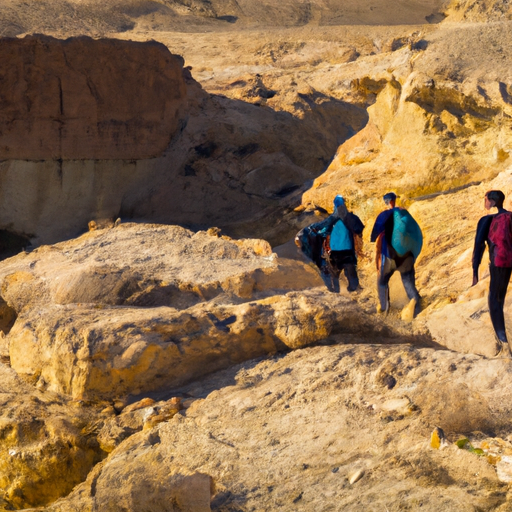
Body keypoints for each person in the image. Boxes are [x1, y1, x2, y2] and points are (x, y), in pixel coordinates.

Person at [295, 195, 364, 293]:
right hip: (349, 253)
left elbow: (322, 229)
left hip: (335, 253)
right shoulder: (351, 218)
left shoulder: (333, 219)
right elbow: (359, 229)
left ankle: (335, 291)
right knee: (351, 275)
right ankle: (353, 289)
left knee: (334, 275)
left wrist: (311, 231)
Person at [472, 190, 512, 357]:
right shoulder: (511, 216)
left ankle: (504, 345)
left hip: (499, 263)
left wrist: (474, 272)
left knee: (495, 302)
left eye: (486, 199)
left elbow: (479, 246)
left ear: (492, 202)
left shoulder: (487, 220)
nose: (485, 202)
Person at [370, 192, 422, 317]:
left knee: (382, 282)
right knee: (408, 283)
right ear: (394, 200)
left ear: (386, 202)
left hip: (388, 256)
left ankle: (384, 310)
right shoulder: (404, 213)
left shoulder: (383, 215)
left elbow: (373, 236)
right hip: (407, 257)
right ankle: (416, 309)